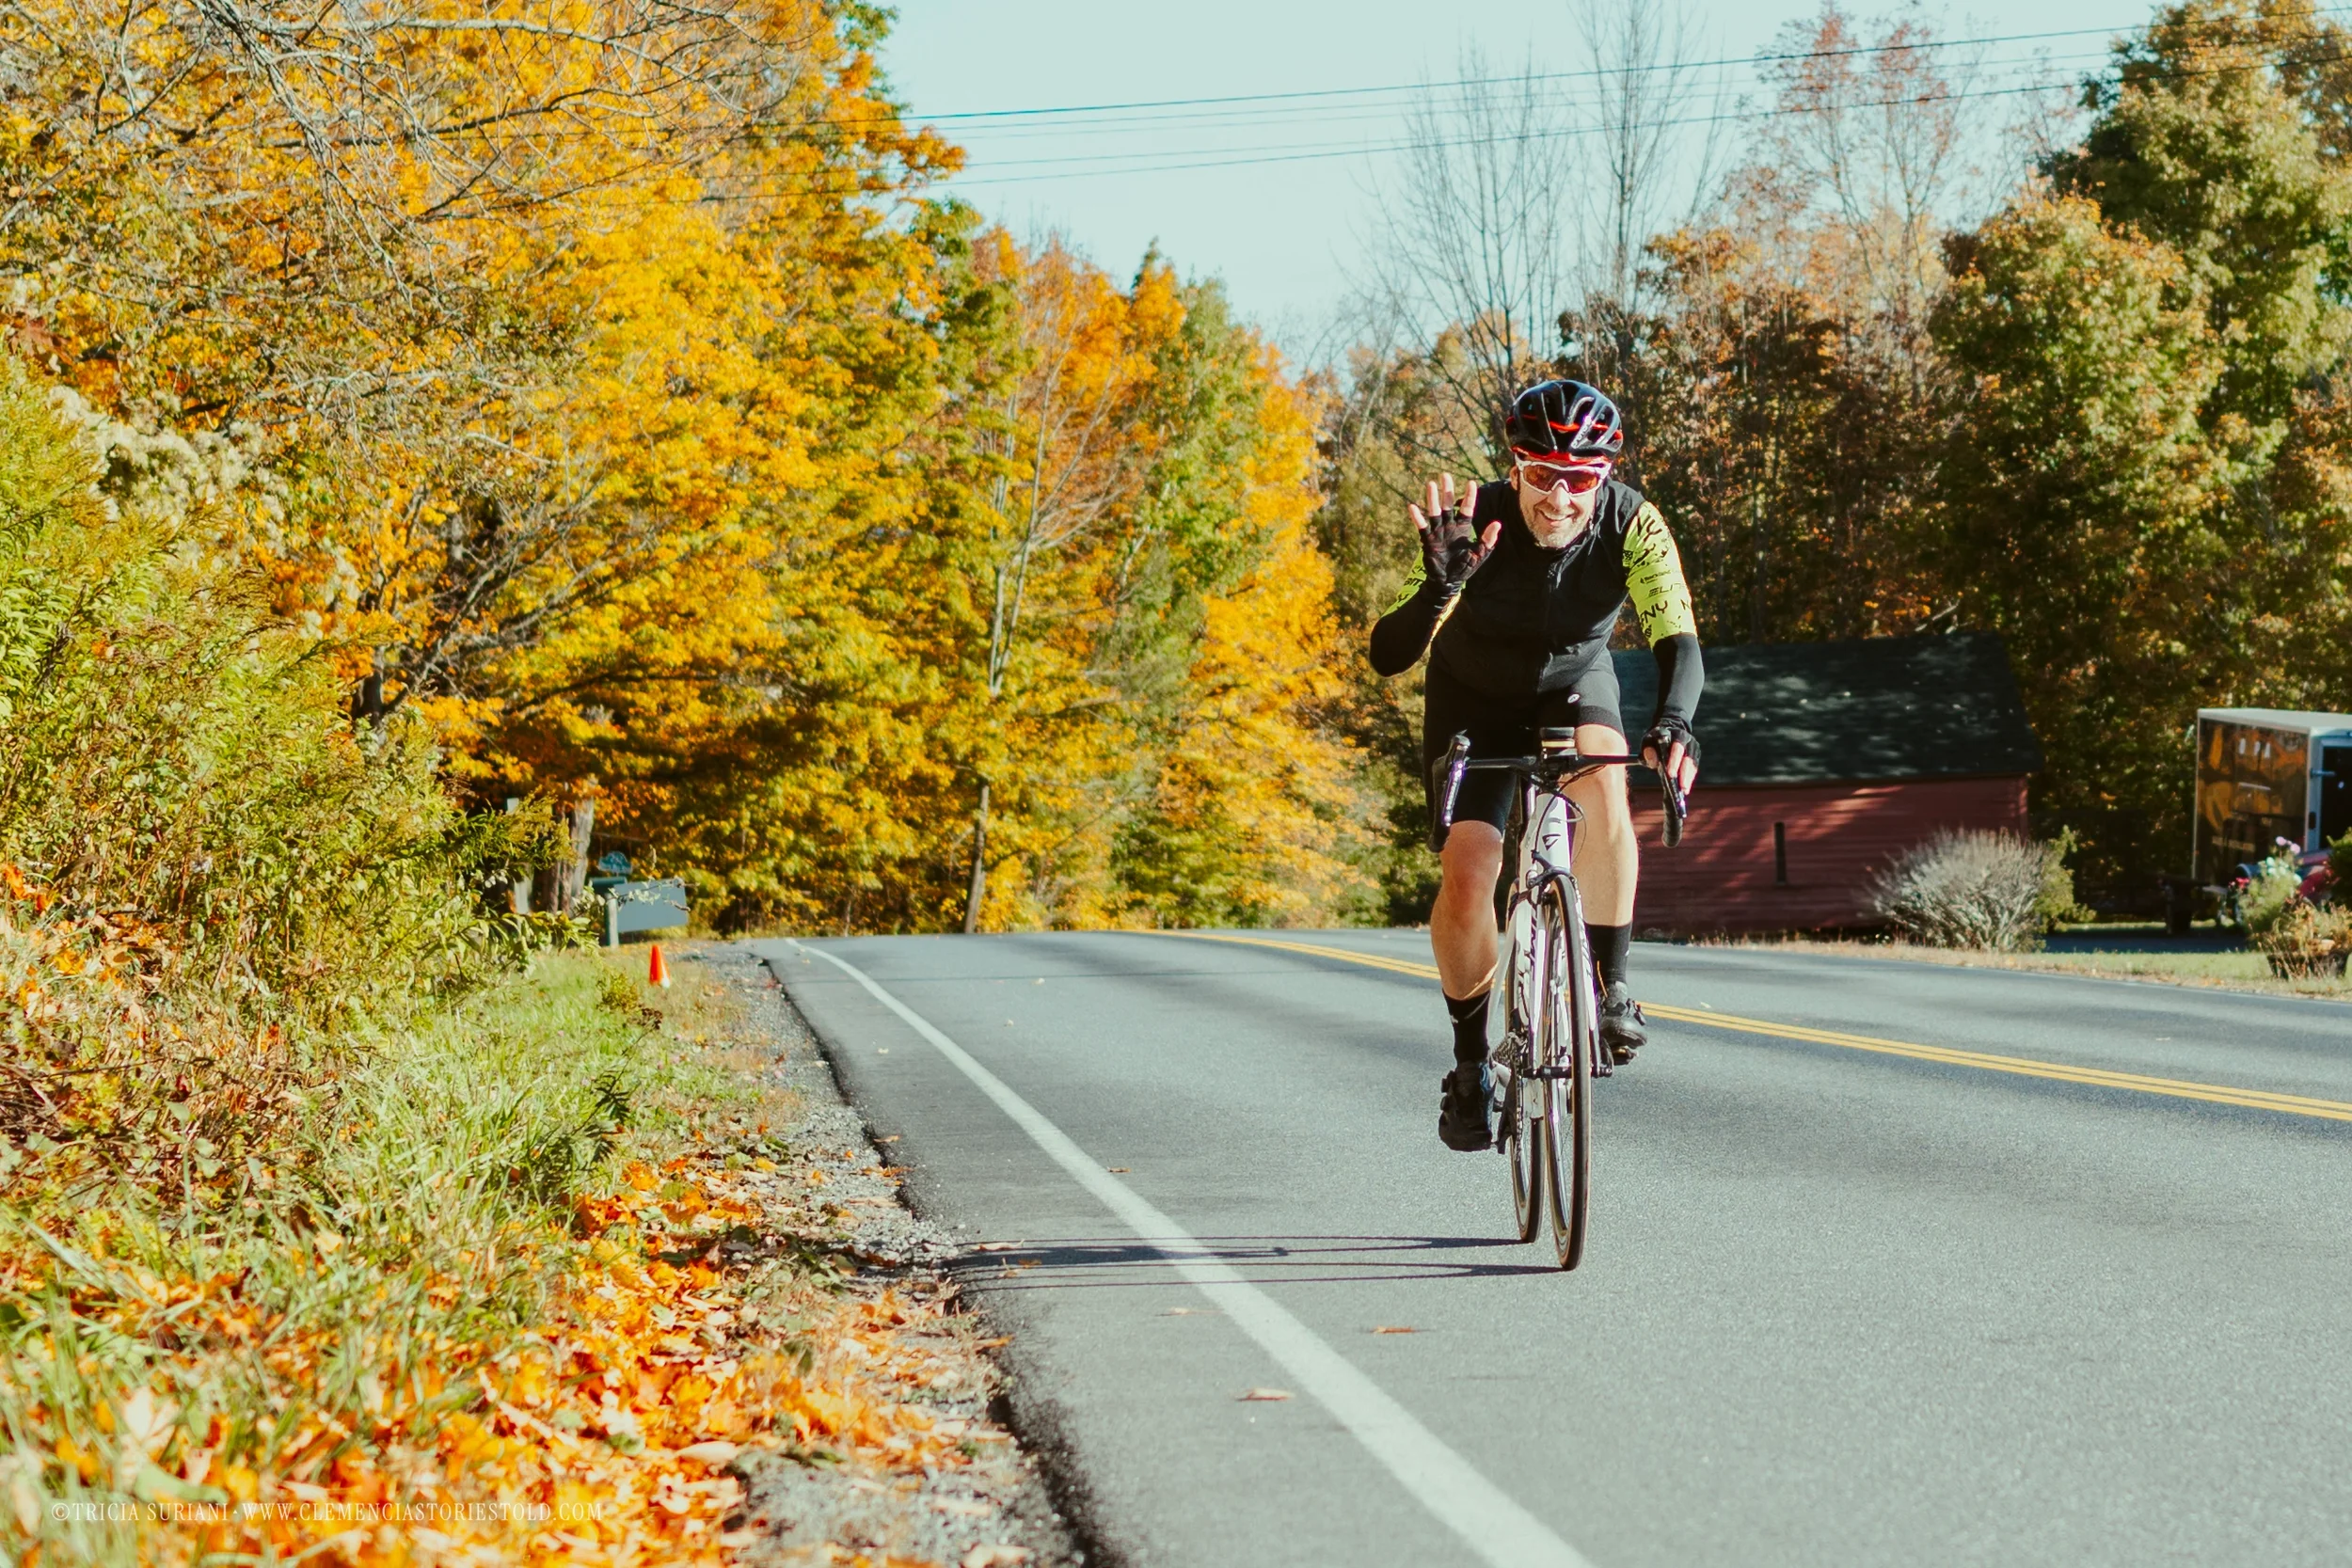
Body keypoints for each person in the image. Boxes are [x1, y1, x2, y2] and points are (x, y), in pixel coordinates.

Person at [1368, 379, 1702, 1151]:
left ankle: (1612, 985)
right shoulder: (1472, 520)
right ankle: (1468, 1065)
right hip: (1473, 694)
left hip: (1573, 683)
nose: (1560, 497)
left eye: (1580, 479)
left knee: (1607, 783)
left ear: (1605, 476)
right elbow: (1388, 654)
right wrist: (1438, 588)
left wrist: (1676, 722)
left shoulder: (1633, 523)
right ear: (1514, 466)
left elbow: (1678, 638)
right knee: (1470, 868)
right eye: (1543, 473)